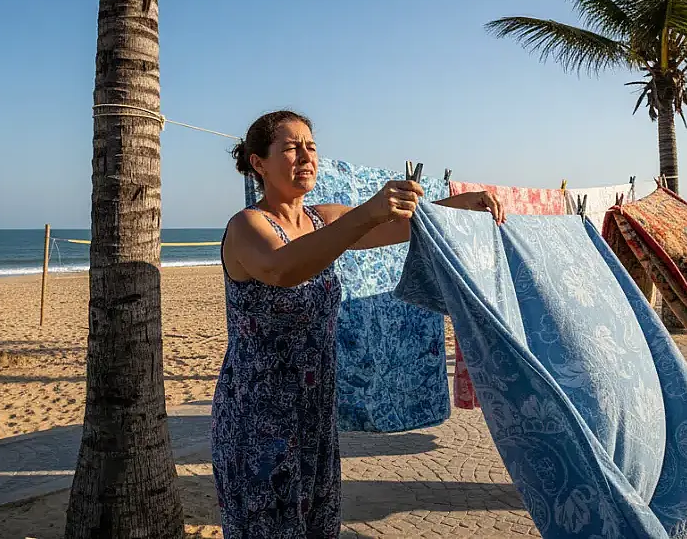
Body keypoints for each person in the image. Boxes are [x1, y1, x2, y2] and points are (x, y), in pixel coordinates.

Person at [211, 110, 505, 537]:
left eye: (311, 146)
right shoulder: (247, 226)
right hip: (257, 418)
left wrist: (466, 204)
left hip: (315, 414)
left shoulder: (321, 219)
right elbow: (283, 269)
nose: (306, 156)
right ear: (258, 163)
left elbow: (406, 226)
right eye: (291, 147)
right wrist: (368, 212)